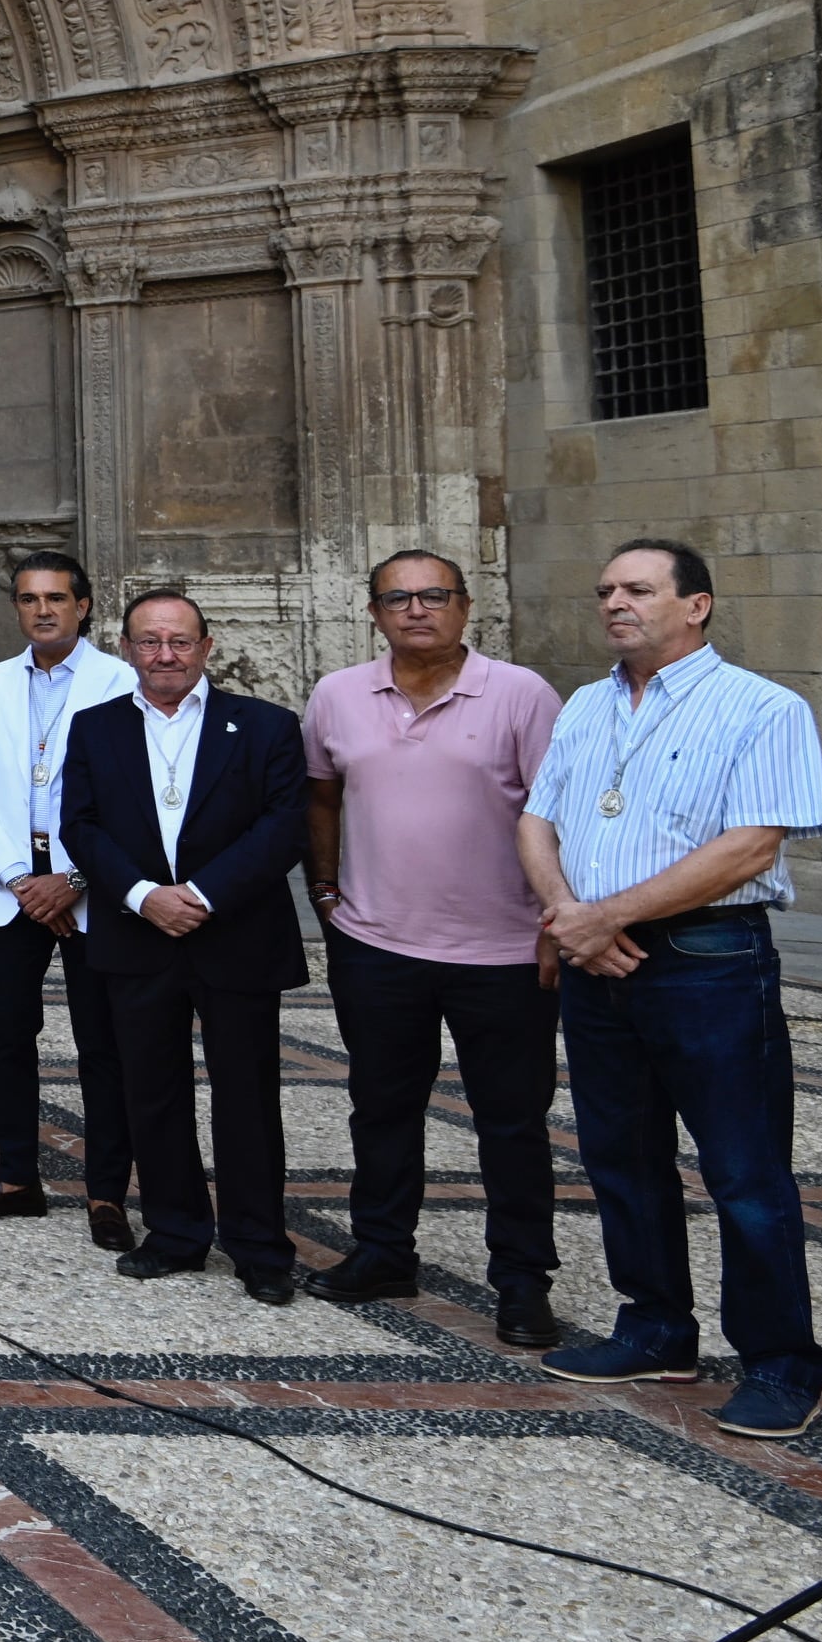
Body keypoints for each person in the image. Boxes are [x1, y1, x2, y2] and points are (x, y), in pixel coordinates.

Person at [518, 538, 822, 1439]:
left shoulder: (762, 708)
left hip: (708, 961)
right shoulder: (585, 704)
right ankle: (655, 1326)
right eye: (606, 589)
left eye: (639, 589)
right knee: (621, 1156)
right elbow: (538, 817)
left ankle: (781, 1362)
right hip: (596, 959)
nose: (616, 602)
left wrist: (601, 914)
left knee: (743, 1170)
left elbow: (750, 846)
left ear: (695, 604)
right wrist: (569, 914)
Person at [302, 552, 563, 1347]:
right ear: (374, 612)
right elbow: (321, 793)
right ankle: (384, 1251)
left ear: (465, 605)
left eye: (434, 596)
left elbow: (557, 811)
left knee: (513, 1122)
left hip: (505, 949)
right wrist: (324, 892)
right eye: (398, 598)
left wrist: (560, 918)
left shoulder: (523, 694)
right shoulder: (338, 694)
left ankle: (521, 1280)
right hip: (376, 945)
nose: (417, 610)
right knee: (381, 1108)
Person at [64, 591, 310, 1303]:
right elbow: (81, 825)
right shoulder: (96, 728)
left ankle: (259, 1245)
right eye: (148, 642)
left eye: (178, 641)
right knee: (152, 1090)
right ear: (126, 648)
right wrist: (143, 896)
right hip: (137, 934)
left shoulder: (264, 725)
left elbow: (283, 825)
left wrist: (200, 894)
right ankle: (175, 1232)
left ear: (206, 646)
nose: (164, 655)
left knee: (247, 1093)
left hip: (233, 933)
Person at [0, 554, 138, 1242]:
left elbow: (128, 801)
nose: (43, 610)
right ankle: (18, 1177)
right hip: (11, 892)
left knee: (102, 1044)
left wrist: (74, 879)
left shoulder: (123, 681)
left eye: (56, 598)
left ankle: (106, 1193)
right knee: (7, 1038)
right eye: (29, 600)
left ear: (84, 606)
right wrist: (18, 877)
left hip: (91, 891)